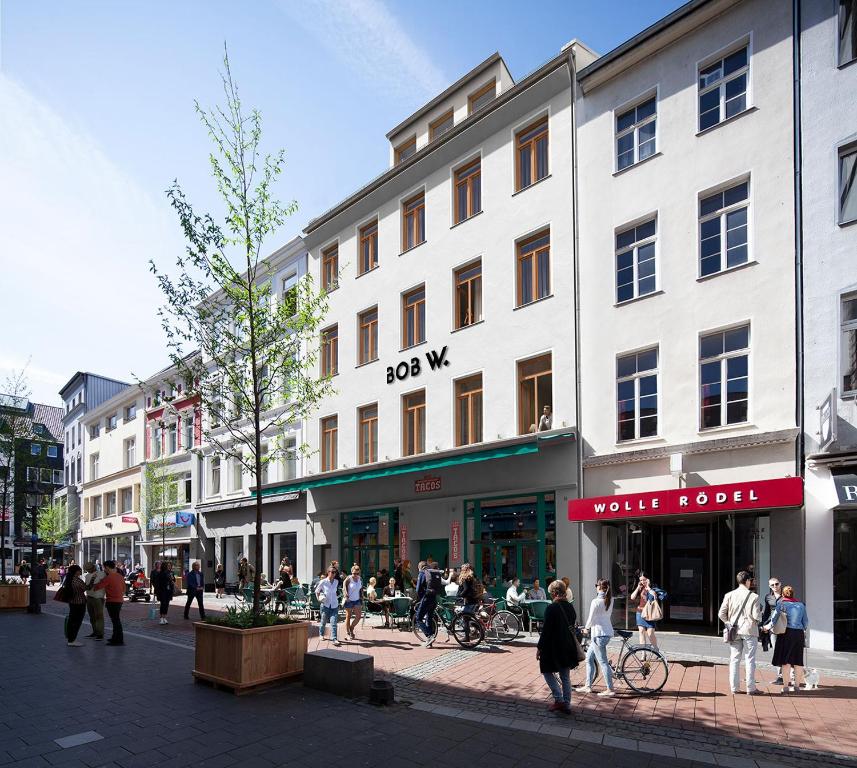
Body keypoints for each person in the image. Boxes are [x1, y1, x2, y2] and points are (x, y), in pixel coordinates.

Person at [536, 580, 579, 713]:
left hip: (553, 647)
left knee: (547, 671)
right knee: (565, 677)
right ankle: (566, 704)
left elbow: (546, 630)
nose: (550, 595)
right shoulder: (570, 607)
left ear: (554, 593)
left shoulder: (552, 608)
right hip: (567, 646)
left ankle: (558, 699)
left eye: (550, 593)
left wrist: (539, 647)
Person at [718, 570, 762, 695]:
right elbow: (756, 617)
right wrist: (761, 615)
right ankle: (750, 688)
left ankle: (734, 688)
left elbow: (721, 613)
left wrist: (728, 623)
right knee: (750, 659)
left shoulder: (729, 595)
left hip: (734, 630)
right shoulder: (754, 596)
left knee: (734, 659)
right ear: (748, 581)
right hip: (749, 630)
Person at [763, 585, 809, 694]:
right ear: (793, 594)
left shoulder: (781, 604)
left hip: (785, 634)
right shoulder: (801, 605)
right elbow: (805, 622)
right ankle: (797, 687)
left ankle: (785, 687)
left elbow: (773, 620)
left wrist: (766, 627)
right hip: (798, 634)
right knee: (798, 661)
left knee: (786, 661)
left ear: (783, 594)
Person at [576, 579, 615, 697]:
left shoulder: (596, 601)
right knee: (589, 658)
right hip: (606, 632)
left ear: (599, 587)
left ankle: (610, 689)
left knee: (603, 662)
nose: (595, 587)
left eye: (596, 585)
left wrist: (586, 628)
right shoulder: (610, 599)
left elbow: (590, 618)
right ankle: (588, 686)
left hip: (598, 634)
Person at [759, 576, 789, 684]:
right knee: (776, 650)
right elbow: (766, 612)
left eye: (776, 584)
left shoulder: (786, 596)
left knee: (786, 650)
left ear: (780, 584)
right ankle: (780, 676)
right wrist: (762, 625)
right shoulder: (768, 597)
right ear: (769, 586)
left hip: (785, 627)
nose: (775, 586)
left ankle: (790, 675)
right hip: (772, 627)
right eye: (772, 585)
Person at [630, 572, 662, 648]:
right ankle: (643, 652)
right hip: (640, 612)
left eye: (644, 580)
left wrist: (648, 587)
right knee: (641, 632)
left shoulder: (653, 587)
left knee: (650, 633)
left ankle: (656, 649)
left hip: (649, 613)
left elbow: (654, 596)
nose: (642, 582)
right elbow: (632, 597)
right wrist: (638, 587)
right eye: (640, 580)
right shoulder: (640, 587)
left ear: (648, 579)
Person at [415, 560, 443, 647]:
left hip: (426, 598)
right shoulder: (432, 572)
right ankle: (430, 641)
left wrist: (421, 597)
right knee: (429, 618)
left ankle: (429, 635)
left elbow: (418, 589)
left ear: (419, 567)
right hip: (434, 598)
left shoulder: (422, 573)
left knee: (418, 618)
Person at [61, 565, 88, 646]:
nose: (80, 571)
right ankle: (72, 640)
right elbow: (85, 588)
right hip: (79, 603)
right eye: (79, 570)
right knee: (77, 621)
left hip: (72, 602)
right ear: (76, 571)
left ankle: (70, 638)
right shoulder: (77, 580)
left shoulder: (68, 579)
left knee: (72, 620)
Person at [101, 560, 126, 646]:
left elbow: (97, 587)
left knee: (115, 621)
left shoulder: (108, 577)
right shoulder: (120, 576)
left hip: (112, 601)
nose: (104, 569)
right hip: (119, 601)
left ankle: (118, 640)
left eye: (104, 567)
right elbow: (124, 589)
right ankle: (115, 637)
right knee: (116, 620)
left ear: (107, 567)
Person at [315, 566, 341, 646]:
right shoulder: (323, 581)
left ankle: (334, 638)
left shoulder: (336, 581)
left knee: (334, 623)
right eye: (332, 572)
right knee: (323, 622)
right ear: (328, 572)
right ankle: (321, 634)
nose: (334, 574)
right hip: (325, 604)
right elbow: (317, 591)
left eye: (335, 572)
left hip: (334, 604)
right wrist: (319, 599)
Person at [83, 561, 105, 640]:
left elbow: (102, 584)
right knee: (92, 617)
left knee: (99, 616)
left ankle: (100, 634)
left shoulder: (101, 574)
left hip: (98, 598)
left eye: (89, 569)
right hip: (89, 597)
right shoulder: (87, 576)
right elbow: (87, 586)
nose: (88, 570)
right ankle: (95, 632)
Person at [342, 564, 363, 640]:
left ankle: (351, 628)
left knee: (358, 616)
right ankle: (347, 633)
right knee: (348, 617)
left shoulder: (360, 579)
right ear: (351, 572)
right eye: (354, 573)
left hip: (357, 600)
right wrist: (346, 595)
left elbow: (360, 589)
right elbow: (344, 588)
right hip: (349, 600)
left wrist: (362, 597)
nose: (356, 575)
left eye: (357, 573)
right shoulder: (348, 579)